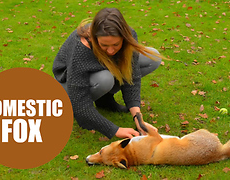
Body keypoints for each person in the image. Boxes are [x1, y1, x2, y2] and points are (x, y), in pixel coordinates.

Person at [53, 8, 164, 139]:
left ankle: (104, 100)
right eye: (104, 45)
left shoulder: (130, 36)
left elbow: (131, 77)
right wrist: (115, 130)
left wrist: (138, 118)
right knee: (105, 79)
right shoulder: (81, 47)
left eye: (116, 44)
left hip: (102, 69)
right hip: (67, 83)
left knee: (153, 57)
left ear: (124, 37)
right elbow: (81, 103)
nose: (111, 50)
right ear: (94, 38)